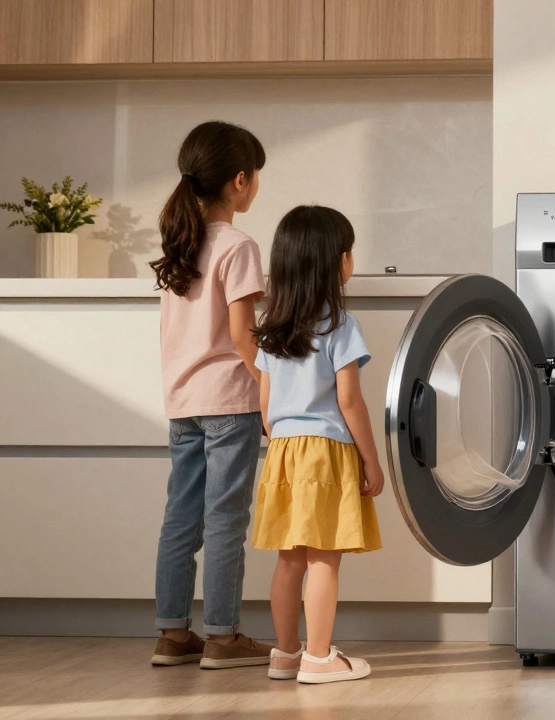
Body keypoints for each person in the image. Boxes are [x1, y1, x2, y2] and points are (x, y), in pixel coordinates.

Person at [150, 121, 275, 667]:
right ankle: (222, 637)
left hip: (184, 404)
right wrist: (270, 389)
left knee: (181, 518)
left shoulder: (180, 242)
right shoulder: (238, 245)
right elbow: (244, 335)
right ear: (241, 181)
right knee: (225, 521)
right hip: (229, 401)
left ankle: (173, 634)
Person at [251, 205, 384, 684]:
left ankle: (286, 654)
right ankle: (320, 658)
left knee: (289, 559)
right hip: (326, 451)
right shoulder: (340, 326)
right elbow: (350, 401)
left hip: (283, 452)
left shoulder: (270, 329)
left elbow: (264, 407)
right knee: (324, 557)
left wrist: (284, 439)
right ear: (338, 263)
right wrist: (372, 461)